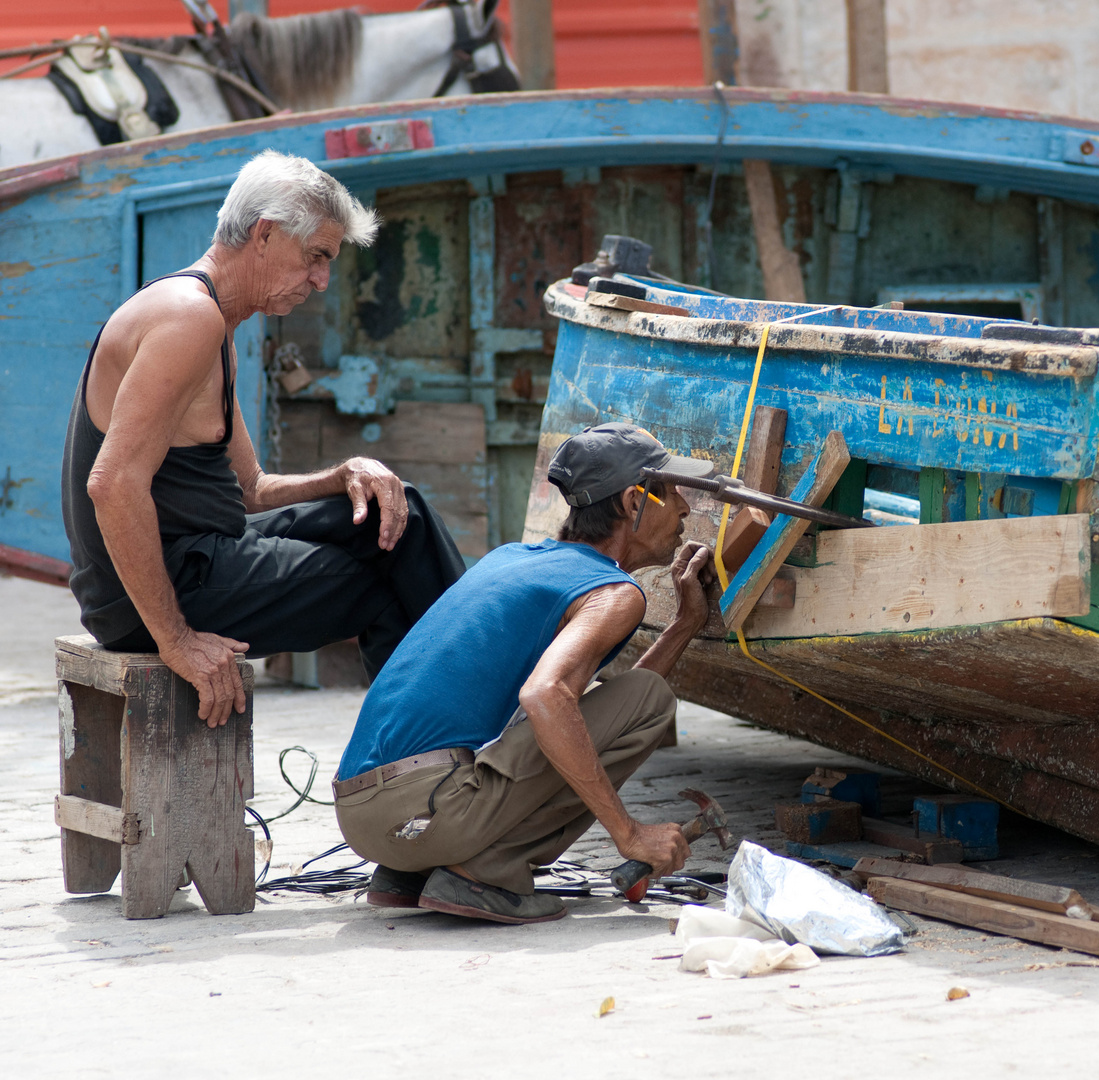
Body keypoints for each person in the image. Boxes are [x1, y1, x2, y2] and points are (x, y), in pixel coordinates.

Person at [62, 150, 465, 727]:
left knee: (400, 511)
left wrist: (342, 474)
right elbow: (112, 485)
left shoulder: (213, 320)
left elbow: (249, 489)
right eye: (316, 258)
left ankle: (481, 675)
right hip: (152, 593)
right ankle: (428, 751)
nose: (322, 280)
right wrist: (176, 641)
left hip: (202, 550)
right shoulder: (187, 318)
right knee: (380, 585)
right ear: (266, 234)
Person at [332, 423, 719, 925]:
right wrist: (628, 833)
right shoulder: (614, 591)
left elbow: (621, 704)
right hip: (426, 810)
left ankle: (416, 873)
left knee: (624, 701)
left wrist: (685, 626)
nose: (686, 508)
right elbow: (546, 695)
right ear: (632, 503)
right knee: (616, 703)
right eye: (669, 492)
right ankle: (485, 871)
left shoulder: (511, 559)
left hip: (367, 818)